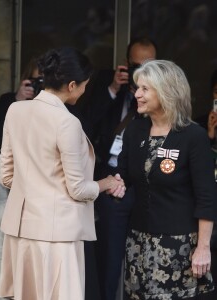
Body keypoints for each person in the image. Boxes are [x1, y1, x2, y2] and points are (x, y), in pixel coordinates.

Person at [0, 47, 126, 300]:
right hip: (57, 236)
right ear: (72, 85)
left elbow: (6, 177)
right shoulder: (66, 122)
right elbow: (78, 189)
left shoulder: (15, 110)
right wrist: (106, 182)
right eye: (85, 85)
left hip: (20, 231)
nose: (85, 91)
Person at [116, 59, 217, 300]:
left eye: (144, 89)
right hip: (138, 242)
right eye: (137, 88)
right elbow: (123, 176)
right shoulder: (134, 130)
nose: (137, 94)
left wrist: (203, 248)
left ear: (166, 91)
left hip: (178, 246)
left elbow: (207, 197)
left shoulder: (193, 136)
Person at [77, 37, 157, 300]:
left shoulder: (161, 91)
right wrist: (113, 89)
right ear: (125, 64)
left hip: (148, 189)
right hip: (113, 182)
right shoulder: (106, 84)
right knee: (109, 258)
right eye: (136, 66)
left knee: (148, 260)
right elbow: (86, 125)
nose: (141, 72)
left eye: (149, 65)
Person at [0, 57, 43, 157]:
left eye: (47, 82)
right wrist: (17, 102)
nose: (43, 87)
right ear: (28, 81)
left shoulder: (63, 106)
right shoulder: (9, 101)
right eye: (39, 81)